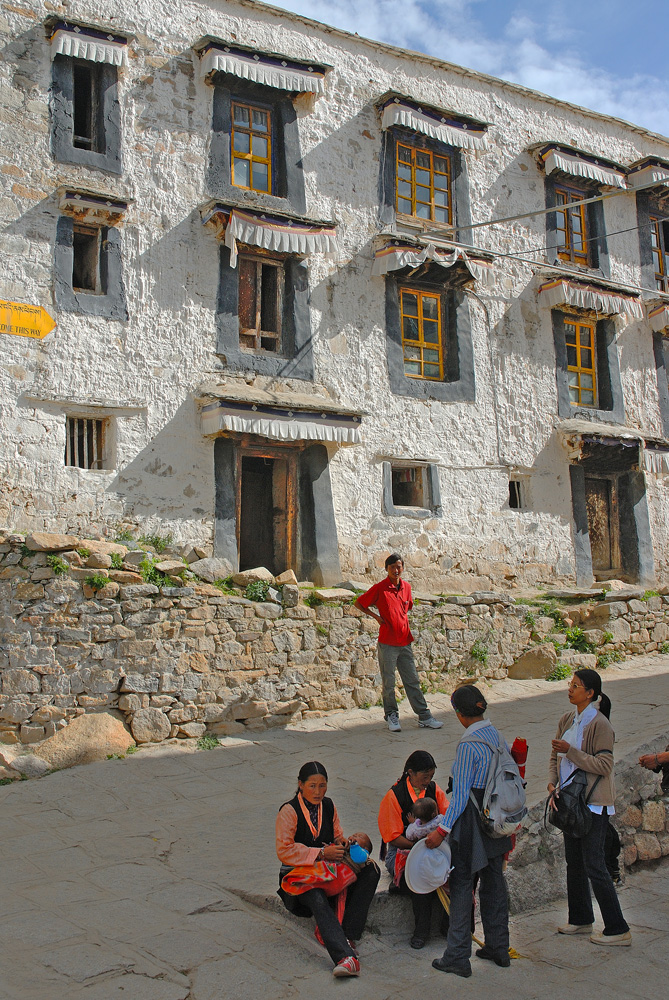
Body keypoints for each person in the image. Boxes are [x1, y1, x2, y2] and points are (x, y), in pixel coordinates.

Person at [425, 685, 512, 978]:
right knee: (494, 884)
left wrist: (442, 830)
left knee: (462, 887)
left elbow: (460, 795)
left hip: (472, 823)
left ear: (460, 714)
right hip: (496, 819)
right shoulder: (496, 736)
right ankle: (499, 947)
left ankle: (457, 956)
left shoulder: (468, 745)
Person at [547, 668, 631, 946]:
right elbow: (554, 756)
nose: (570, 689)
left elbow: (604, 765)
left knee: (595, 864)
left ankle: (618, 928)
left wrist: (571, 752)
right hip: (570, 801)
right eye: (570, 684)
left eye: (576, 686)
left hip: (593, 804)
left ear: (590, 693)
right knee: (574, 863)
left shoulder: (601, 725)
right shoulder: (567, 720)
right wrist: (552, 783)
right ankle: (581, 918)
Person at [275, 761, 380, 978]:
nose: (317, 791)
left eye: (322, 785)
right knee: (315, 894)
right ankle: (344, 957)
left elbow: (336, 836)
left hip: (328, 875)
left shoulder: (329, 806)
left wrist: (344, 844)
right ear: (300, 785)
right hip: (298, 880)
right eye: (312, 786)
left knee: (372, 870)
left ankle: (348, 934)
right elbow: (284, 851)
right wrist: (321, 854)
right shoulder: (289, 811)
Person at [355, 553, 443, 732]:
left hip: (405, 642)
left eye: (399, 566)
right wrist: (377, 617)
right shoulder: (380, 588)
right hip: (387, 643)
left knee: (412, 680)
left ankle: (424, 716)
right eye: (392, 567)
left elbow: (406, 607)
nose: (396, 570)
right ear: (387, 569)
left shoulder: (407, 588)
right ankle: (392, 715)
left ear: (402, 568)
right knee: (389, 682)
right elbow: (360, 603)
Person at [378, 750, 450, 949]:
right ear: (410, 773)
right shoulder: (394, 796)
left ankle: (449, 924)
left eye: (431, 777)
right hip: (403, 850)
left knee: (454, 875)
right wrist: (419, 847)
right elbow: (392, 837)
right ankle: (421, 931)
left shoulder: (435, 790)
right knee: (421, 877)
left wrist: (436, 840)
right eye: (424, 776)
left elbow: (448, 817)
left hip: (432, 846)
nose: (428, 781)